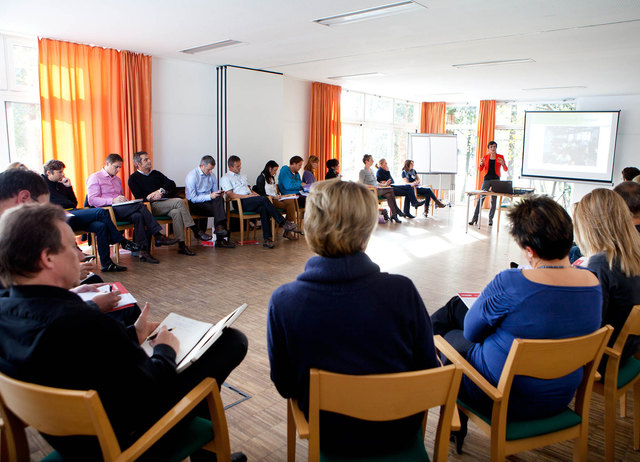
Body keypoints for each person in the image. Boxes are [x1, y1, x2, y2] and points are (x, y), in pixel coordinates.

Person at [0, 202, 249, 462]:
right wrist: (166, 349)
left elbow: (82, 360)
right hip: (127, 441)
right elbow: (151, 390)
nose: (79, 253)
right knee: (229, 342)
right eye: (72, 246)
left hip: (70, 443)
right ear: (47, 258)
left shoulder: (6, 313)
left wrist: (133, 334)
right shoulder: (84, 321)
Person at [267, 180, 439, 458]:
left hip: (330, 434)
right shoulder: (402, 291)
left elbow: (285, 385)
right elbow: (428, 368)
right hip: (400, 429)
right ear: (367, 231)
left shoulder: (284, 301)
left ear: (310, 227)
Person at [430, 195, 602, 453]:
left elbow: (471, 332)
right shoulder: (593, 283)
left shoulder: (511, 282)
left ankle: (454, 420)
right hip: (560, 395)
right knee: (457, 310)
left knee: (448, 336)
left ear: (529, 250)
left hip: (502, 397)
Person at [573, 188, 640, 366]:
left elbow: (590, 325)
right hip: (628, 347)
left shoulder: (603, 263)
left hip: (603, 356)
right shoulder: (631, 254)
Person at [43, 159, 139, 272]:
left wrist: (69, 188)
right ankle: (122, 241)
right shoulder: (42, 186)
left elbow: (73, 203)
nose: (63, 174)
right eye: (59, 172)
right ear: (49, 172)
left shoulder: (60, 184)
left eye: (62, 172)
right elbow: (52, 206)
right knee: (101, 212)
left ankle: (106, 264)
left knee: (101, 226)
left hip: (73, 214)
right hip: (61, 218)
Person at [87, 154, 178, 264]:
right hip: (106, 211)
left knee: (138, 216)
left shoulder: (117, 180)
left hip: (119, 208)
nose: (118, 170)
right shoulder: (95, 178)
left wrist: (122, 200)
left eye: (120, 167)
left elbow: (119, 196)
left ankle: (143, 252)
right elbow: (92, 200)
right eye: (116, 167)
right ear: (107, 164)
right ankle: (158, 235)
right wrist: (113, 200)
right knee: (141, 206)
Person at [129, 151, 211, 256]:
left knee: (176, 212)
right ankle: (195, 230)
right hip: (149, 207)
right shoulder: (133, 178)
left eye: (148, 158)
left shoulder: (156, 174)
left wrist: (161, 191)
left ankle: (182, 246)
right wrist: (150, 197)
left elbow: (171, 184)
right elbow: (139, 198)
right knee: (179, 202)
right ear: (138, 164)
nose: (149, 161)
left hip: (163, 204)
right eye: (145, 160)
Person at [221, 156, 297, 249]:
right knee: (264, 199)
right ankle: (283, 222)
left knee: (263, 208)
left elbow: (249, 190)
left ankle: (267, 239)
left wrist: (255, 195)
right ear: (230, 167)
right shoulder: (225, 178)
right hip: (240, 201)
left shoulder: (242, 176)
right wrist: (247, 196)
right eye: (237, 166)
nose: (240, 168)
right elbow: (230, 195)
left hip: (250, 199)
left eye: (240, 165)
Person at [185, 155, 235, 249]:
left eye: (212, 169)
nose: (211, 171)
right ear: (202, 166)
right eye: (209, 169)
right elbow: (193, 198)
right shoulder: (192, 176)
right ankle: (220, 237)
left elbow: (215, 193)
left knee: (219, 199)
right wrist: (209, 196)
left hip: (208, 202)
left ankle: (219, 228)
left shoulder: (211, 175)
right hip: (195, 204)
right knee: (220, 210)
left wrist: (218, 194)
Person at [253, 160, 299, 240]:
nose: (275, 172)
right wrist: (274, 197)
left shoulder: (272, 178)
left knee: (291, 201)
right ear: (269, 168)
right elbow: (261, 194)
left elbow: (274, 191)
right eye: (274, 170)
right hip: (269, 200)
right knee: (289, 206)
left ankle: (288, 228)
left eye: (276, 171)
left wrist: (278, 195)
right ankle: (288, 229)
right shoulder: (261, 178)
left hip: (276, 198)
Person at [469, 141, 508, 226]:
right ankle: (474, 218)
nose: (493, 148)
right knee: (481, 198)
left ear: (496, 148)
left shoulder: (500, 157)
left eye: (494, 147)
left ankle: (490, 219)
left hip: (496, 180)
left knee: (493, 200)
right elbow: (480, 170)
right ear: (489, 148)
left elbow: (505, 169)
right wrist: (481, 164)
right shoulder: (485, 157)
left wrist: (503, 163)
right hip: (487, 179)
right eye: (491, 147)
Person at [358, 154, 404, 223]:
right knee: (391, 189)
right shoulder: (362, 171)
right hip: (372, 191)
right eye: (371, 160)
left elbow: (376, 182)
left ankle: (394, 215)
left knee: (389, 195)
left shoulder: (372, 170)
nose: (373, 161)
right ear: (366, 161)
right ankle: (397, 211)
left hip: (378, 189)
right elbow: (361, 184)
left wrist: (384, 184)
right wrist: (372, 187)